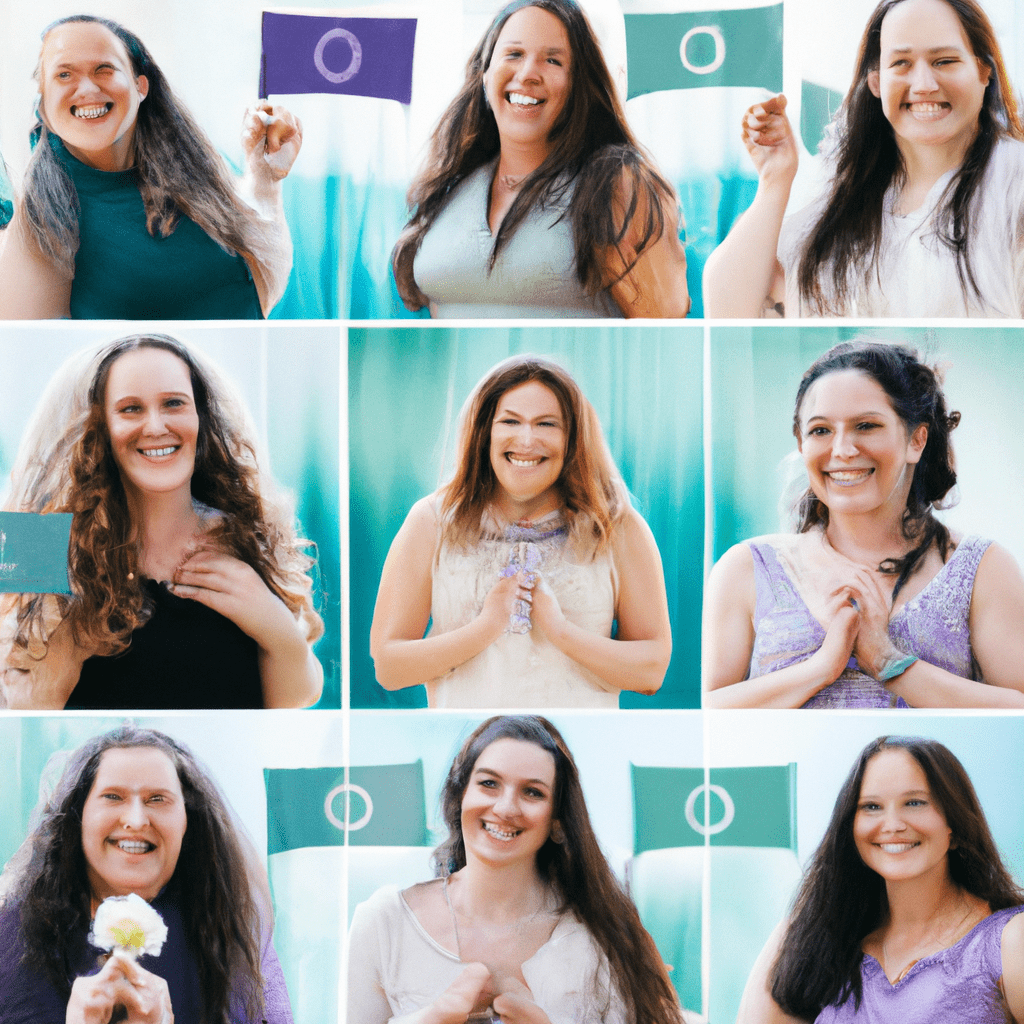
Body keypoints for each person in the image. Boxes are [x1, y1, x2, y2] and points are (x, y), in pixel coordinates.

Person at [0, 333, 323, 710]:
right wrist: (63, 649)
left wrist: (276, 628)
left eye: (173, 403)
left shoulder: (247, 533)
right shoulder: (33, 540)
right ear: (99, 424)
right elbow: (15, 717)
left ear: (201, 416)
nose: (155, 426)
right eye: (130, 409)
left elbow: (296, 700)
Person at [702, 340, 1024, 708]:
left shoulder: (983, 567)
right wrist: (822, 667)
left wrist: (889, 662)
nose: (842, 450)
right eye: (820, 430)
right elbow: (712, 717)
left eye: (866, 425)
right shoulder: (744, 568)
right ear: (801, 442)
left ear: (917, 440)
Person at [370, 354, 672, 708]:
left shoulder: (617, 525)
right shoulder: (431, 520)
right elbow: (389, 668)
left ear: (573, 438)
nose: (527, 440)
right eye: (511, 421)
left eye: (546, 424)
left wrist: (560, 631)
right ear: (485, 432)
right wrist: (487, 625)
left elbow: (651, 671)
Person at [348, 715, 687, 1023]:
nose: (506, 807)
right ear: (460, 795)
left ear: (557, 820)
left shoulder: (603, 935)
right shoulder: (384, 922)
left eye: (532, 792)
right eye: (489, 784)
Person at [702, 0, 1024, 318]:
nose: (924, 85)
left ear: (984, 71)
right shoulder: (837, 201)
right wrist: (775, 180)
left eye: (944, 61)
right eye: (901, 63)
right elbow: (728, 312)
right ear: (875, 82)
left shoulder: (1015, 185)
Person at [391, 0, 690, 319]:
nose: (528, 73)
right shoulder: (448, 186)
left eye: (553, 60)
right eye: (514, 54)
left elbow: (665, 321)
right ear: (485, 74)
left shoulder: (617, 185)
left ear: (578, 85)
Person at [0, 14, 302, 319]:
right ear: (42, 102)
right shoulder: (42, 218)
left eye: (104, 69)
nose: (88, 88)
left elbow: (255, 296)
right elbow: (31, 353)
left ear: (140, 86)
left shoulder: (198, 176)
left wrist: (266, 179)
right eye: (64, 75)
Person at [0, 725, 293, 1024]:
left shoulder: (227, 930)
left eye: (157, 799)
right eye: (113, 796)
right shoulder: (12, 933)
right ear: (78, 817)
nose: (136, 820)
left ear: (188, 821)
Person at [737, 736, 1024, 1023]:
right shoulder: (816, 946)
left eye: (914, 802)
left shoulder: (1009, 941)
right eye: (871, 806)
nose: (893, 825)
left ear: (955, 825)